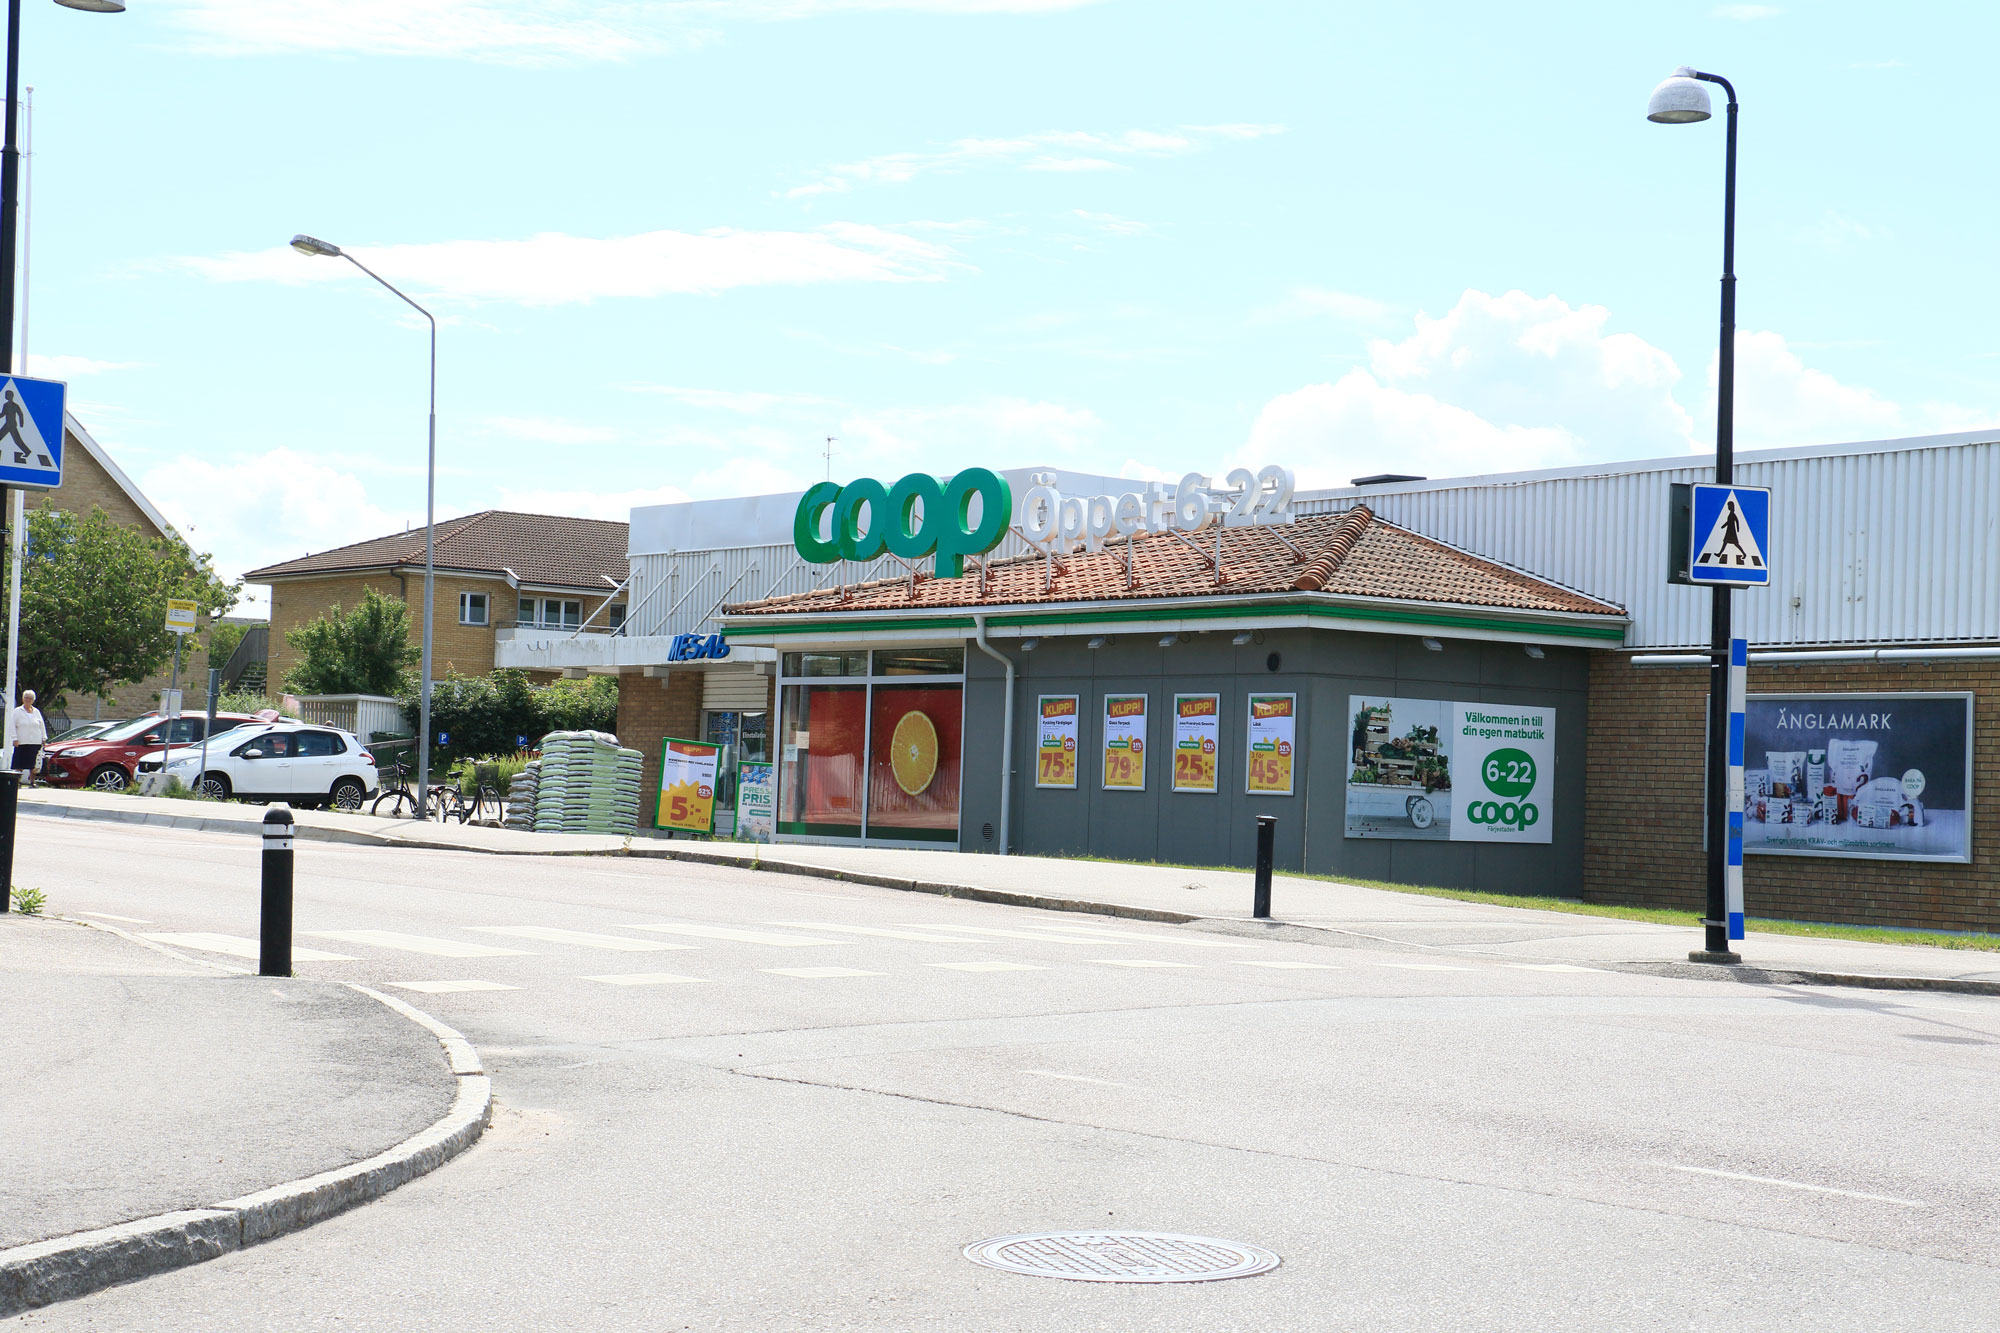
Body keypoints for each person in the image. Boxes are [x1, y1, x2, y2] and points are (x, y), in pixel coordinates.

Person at [10, 689, 46, 784]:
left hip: (35, 741)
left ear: (33, 700)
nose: (28, 700)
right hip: (21, 741)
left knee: (33, 763)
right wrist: (14, 738)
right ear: (23, 698)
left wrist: (44, 738)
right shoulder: (17, 711)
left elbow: (42, 725)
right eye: (26, 698)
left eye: (30, 698)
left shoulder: (36, 712)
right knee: (19, 763)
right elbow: (12, 726)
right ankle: (16, 782)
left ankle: (32, 782)